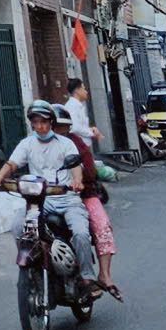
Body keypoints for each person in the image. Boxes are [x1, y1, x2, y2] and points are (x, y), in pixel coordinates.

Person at [0, 100, 98, 292]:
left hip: (67, 199)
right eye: (35, 122)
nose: (39, 126)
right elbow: (12, 163)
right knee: (18, 225)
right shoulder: (27, 144)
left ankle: (88, 278)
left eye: (43, 122)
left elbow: (75, 167)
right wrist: (0, 176)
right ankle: (35, 261)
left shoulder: (66, 144)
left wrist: (76, 181)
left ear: (51, 123)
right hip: (41, 201)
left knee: (81, 233)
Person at [54, 102, 120, 299]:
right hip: (51, 197)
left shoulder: (76, 144)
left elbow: (89, 171)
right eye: (55, 126)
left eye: (62, 127)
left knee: (101, 226)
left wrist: (78, 180)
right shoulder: (38, 144)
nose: (58, 130)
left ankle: (104, 275)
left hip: (83, 196)